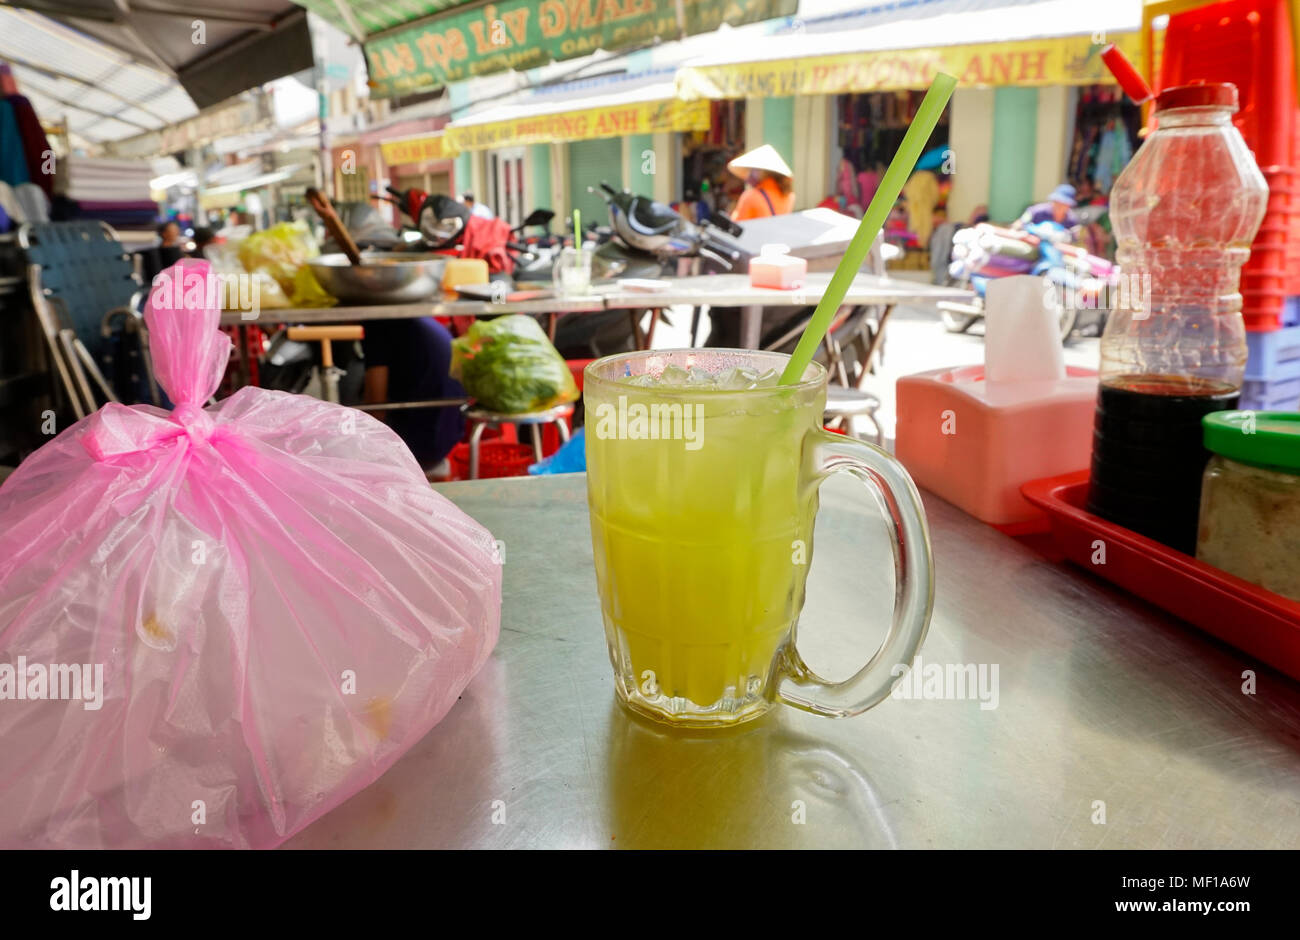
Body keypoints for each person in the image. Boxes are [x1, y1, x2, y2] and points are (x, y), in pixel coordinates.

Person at [361, 317, 466, 473]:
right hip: (449, 431)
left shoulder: (377, 324)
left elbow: (376, 410)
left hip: (421, 445)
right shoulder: (412, 319)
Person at [726, 144, 795, 221]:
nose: (749, 174)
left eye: (753, 169)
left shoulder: (751, 196)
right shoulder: (789, 195)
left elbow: (738, 224)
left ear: (764, 172)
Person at [1013, 183, 1080, 234]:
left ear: (1069, 205)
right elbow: (1020, 222)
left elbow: (1074, 238)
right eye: (1057, 202)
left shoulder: (1072, 220)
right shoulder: (1037, 211)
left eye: (1063, 203)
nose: (1059, 205)